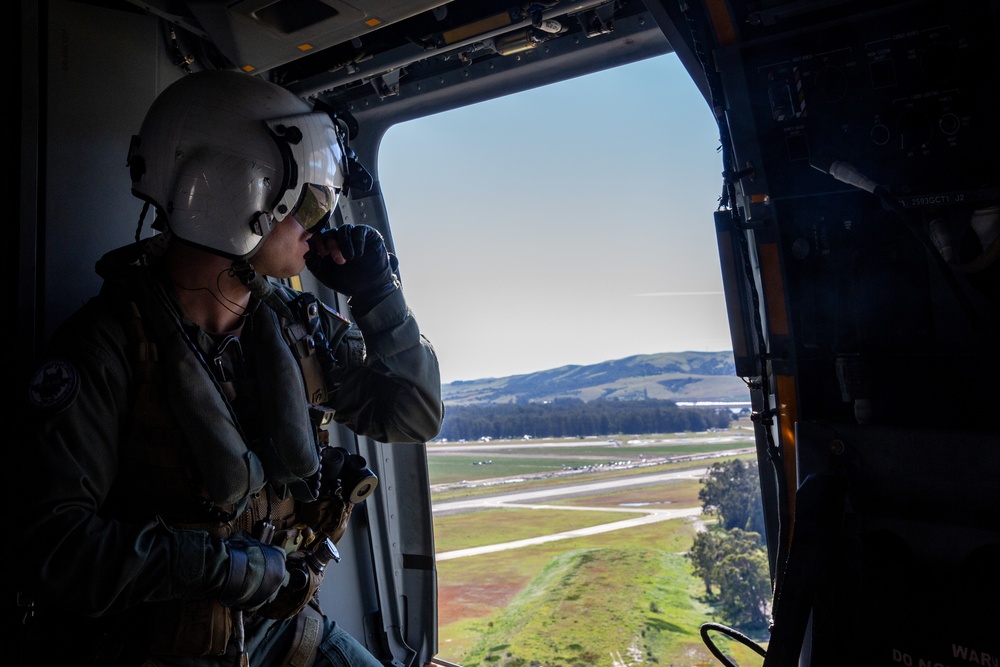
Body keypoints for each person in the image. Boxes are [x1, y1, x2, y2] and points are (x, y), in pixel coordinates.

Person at [16, 70, 444, 667]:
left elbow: (415, 414)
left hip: (285, 632)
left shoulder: (299, 328)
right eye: (311, 204)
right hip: (159, 648)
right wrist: (223, 567)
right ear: (240, 195)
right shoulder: (104, 348)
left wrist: (378, 297)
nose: (321, 226)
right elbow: (54, 549)